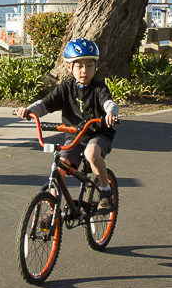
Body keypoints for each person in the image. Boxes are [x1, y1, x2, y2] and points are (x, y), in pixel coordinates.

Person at [14, 37, 119, 189]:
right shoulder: (65, 88)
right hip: (74, 136)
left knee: (91, 154)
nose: (84, 70)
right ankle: (52, 206)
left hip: (98, 134)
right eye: (79, 66)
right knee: (60, 168)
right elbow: (45, 104)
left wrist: (111, 113)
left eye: (89, 65)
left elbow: (109, 102)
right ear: (69, 67)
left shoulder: (99, 88)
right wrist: (28, 111)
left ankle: (105, 189)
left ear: (96, 66)